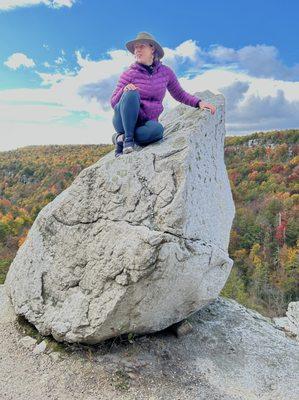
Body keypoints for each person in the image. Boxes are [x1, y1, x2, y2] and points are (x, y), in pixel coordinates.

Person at [110, 32, 216, 157]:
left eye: (141, 46)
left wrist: (199, 103)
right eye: (135, 48)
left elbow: (179, 94)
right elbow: (113, 102)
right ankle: (128, 140)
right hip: (123, 120)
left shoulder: (166, 72)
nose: (137, 50)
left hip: (144, 124)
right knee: (131, 93)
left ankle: (119, 138)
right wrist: (124, 90)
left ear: (152, 48)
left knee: (157, 130)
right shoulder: (129, 74)